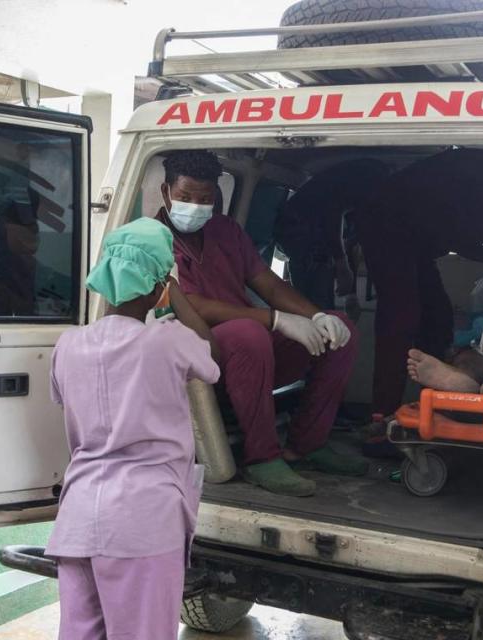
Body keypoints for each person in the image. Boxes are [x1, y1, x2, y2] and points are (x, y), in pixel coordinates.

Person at [155, 150, 366, 498]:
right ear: (166, 192)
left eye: (205, 199)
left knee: (340, 331)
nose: (195, 206)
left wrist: (315, 316)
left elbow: (267, 283)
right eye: (185, 197)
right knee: (247, 333)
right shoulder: (153, 240)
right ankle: (262, 457)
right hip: (199, 356)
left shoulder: (225, 231)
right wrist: (276, 320)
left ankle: (307, 444)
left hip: (252, 355)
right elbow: (194, 306)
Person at [47, 217, 220, 640]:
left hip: (77, 520)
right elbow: (209, 357)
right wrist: (174, 294)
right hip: (144, 522)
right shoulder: (167, 340)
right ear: (160, 285)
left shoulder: (68, 345)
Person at [354, 148, 483, 420]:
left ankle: (441, 389)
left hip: (414, 237)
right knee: (401, 317)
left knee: (438, 316)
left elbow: (468, 243)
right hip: (387, 224)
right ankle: (381, 417)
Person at [274, 159, 390, 309]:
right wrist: (341, 264)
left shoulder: (360, 203)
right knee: (316, 304)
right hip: (301, 233)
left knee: (315, 302)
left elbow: (349, 242)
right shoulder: (369, 182)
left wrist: (352, 295)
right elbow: (333, 215)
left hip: (300, 235)